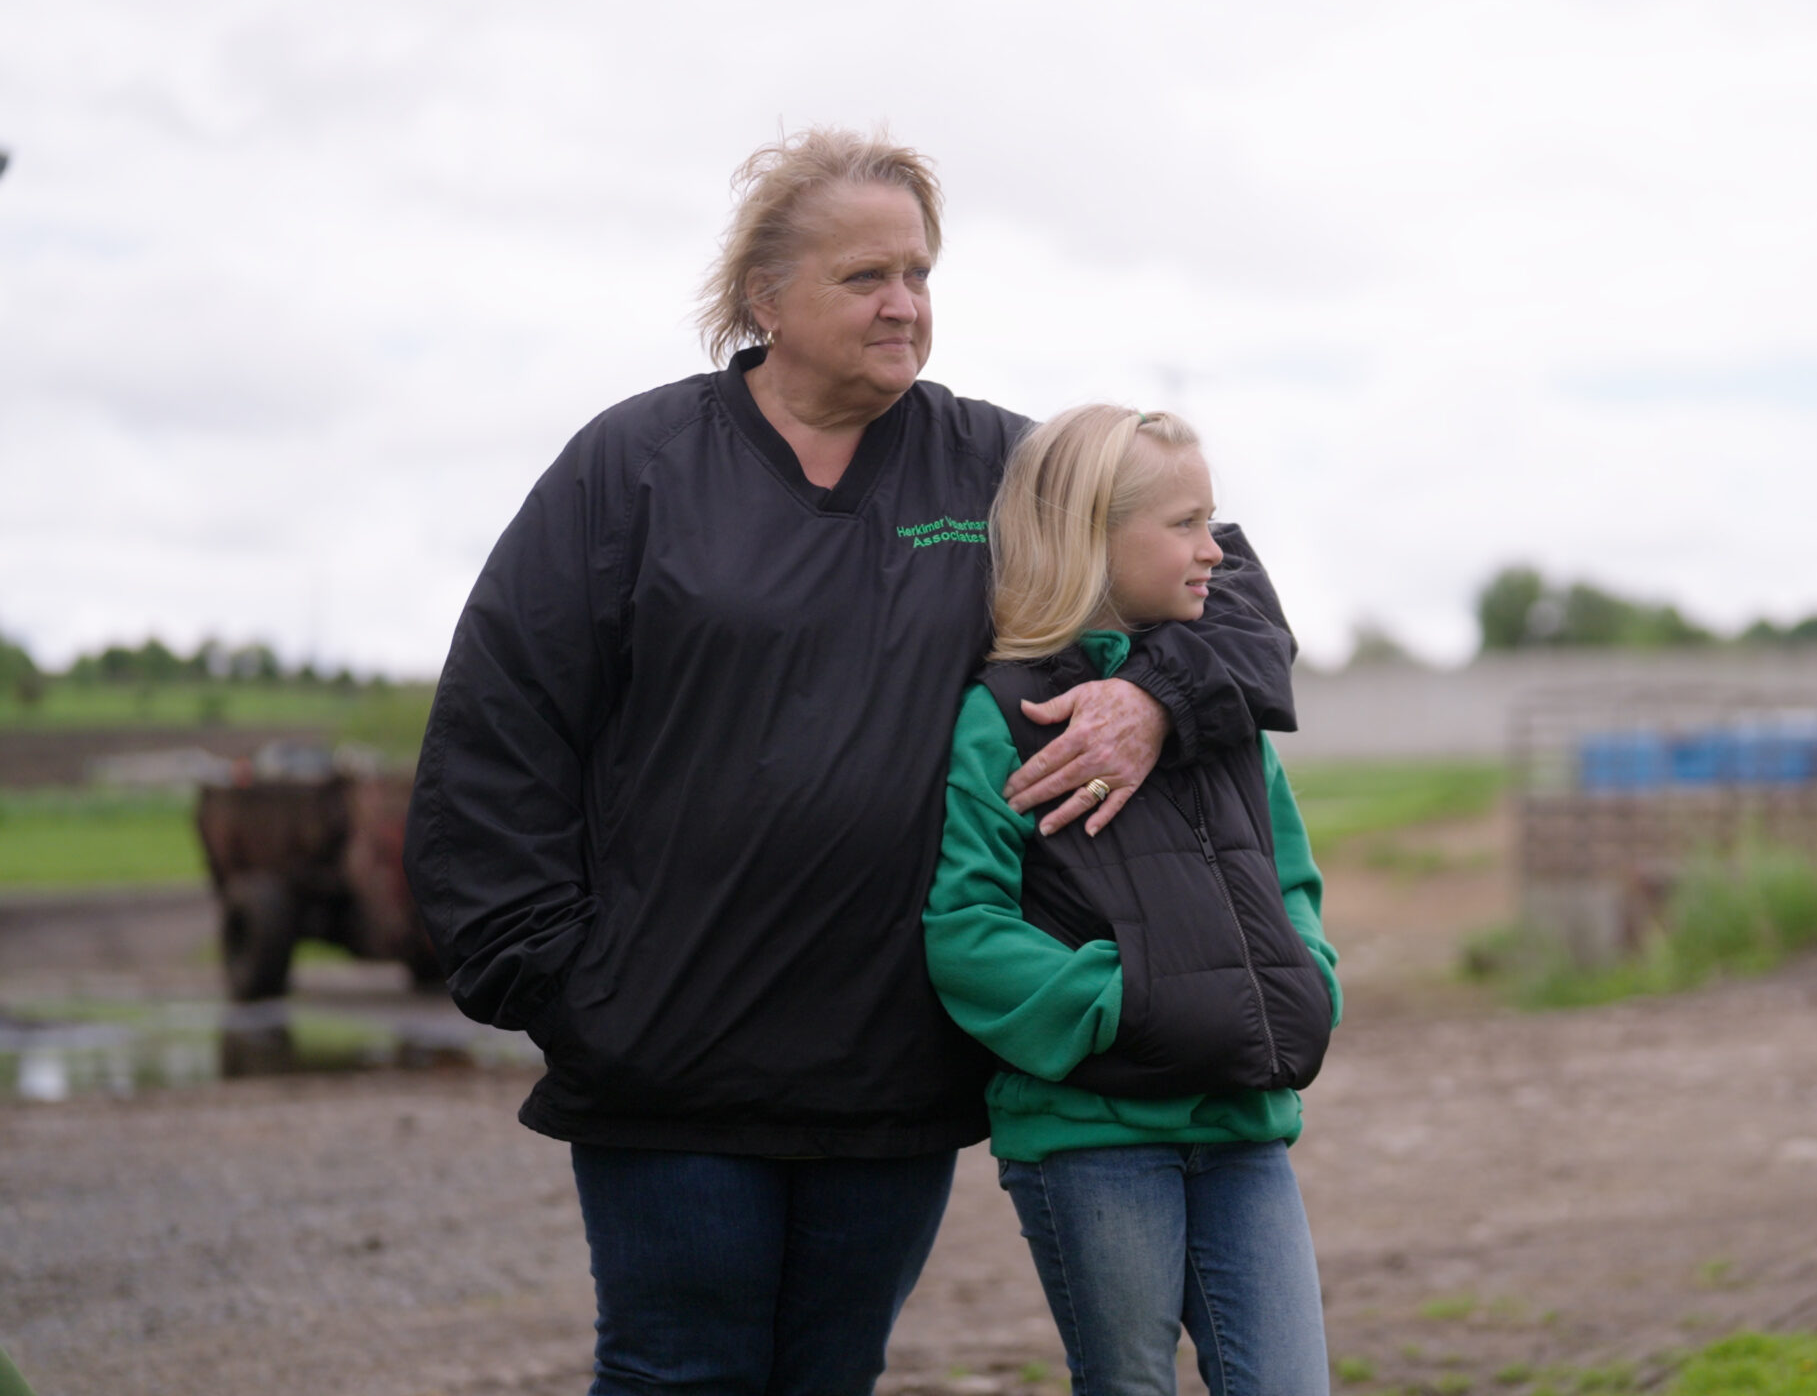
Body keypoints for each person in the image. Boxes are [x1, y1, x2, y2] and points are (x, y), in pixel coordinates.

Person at [404, 131, 1297, 1396]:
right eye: (865, 276)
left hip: (892, 1065)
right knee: (676, 1375)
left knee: (831, 1374)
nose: (904, 304)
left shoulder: (997, 468)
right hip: (669, 1063)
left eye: (920, 274)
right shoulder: (636, 468)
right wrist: (560, 987)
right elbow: (497, 734)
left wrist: (1158, 698)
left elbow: (1227, 585)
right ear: (764, 297)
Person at [922, 405, 1339, 1396]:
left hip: (1243, 1123)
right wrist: (1132, 1000)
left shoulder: (1223, 714)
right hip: (1093, 1140)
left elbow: (1291, 884)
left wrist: (1301, 978)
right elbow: (966, 931)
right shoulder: (1003, 718)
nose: (1215, 553)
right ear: (1093, 538)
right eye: (1187, 525)